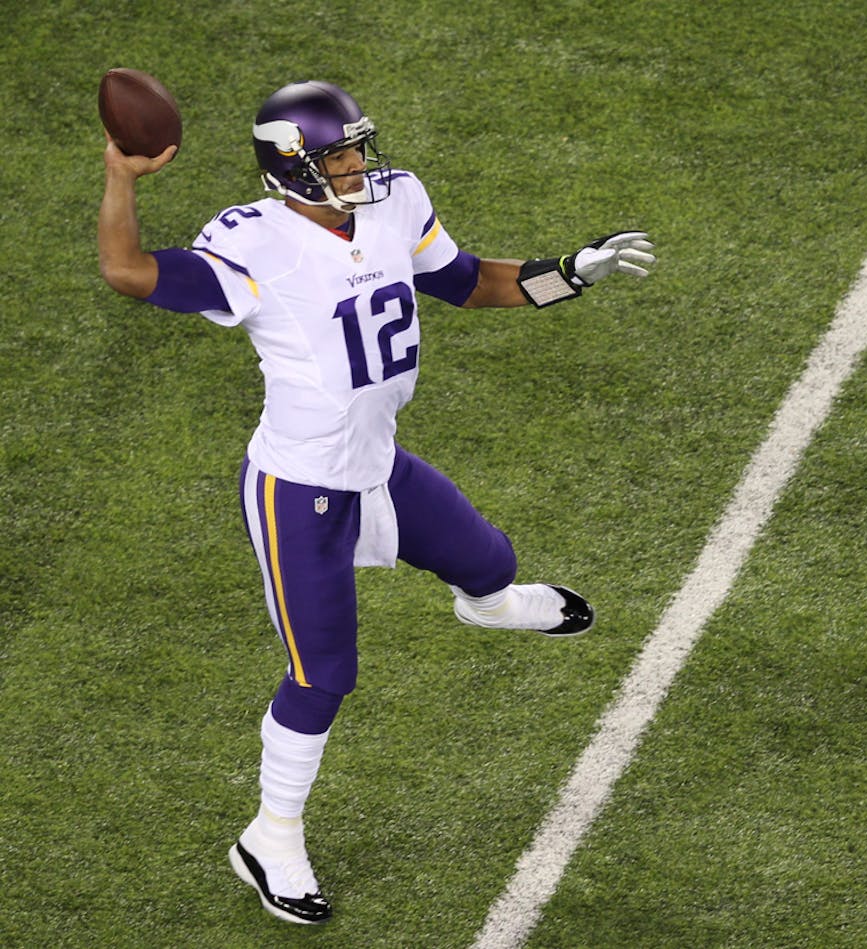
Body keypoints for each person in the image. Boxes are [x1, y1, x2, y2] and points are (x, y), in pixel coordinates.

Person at [98, 80, 655, 924]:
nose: (359, 165)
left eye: (359, 147)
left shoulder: (394, 201)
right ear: (291, 168)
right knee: (324, 675)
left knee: (492, 564)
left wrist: (567, 274)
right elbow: (127, 271)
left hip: (378, 464)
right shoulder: (253, 242)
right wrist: (122, 176)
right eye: (338, 155)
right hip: (300, 489)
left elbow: (468, 282)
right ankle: (270, 837)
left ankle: (493, 607)